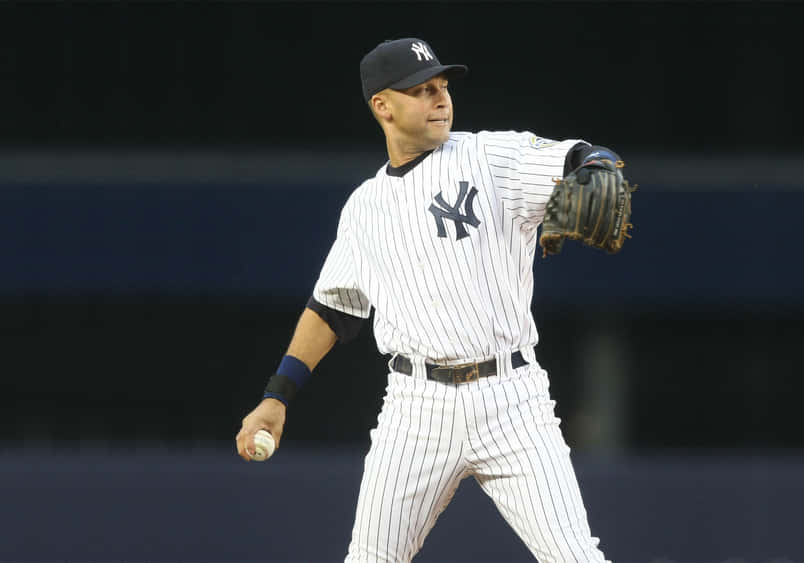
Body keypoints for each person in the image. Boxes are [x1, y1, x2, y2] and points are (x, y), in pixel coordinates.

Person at [236, 37, 619, 562]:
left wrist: (597, 164)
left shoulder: (488, 156)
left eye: (442, 87)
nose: (440, 98)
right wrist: (277, 396)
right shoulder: (365, 207)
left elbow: (580, 155)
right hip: (415, 408)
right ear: (383, 106)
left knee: (577, 557)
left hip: (512, 399)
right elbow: (332, 308)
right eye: (421, 90)